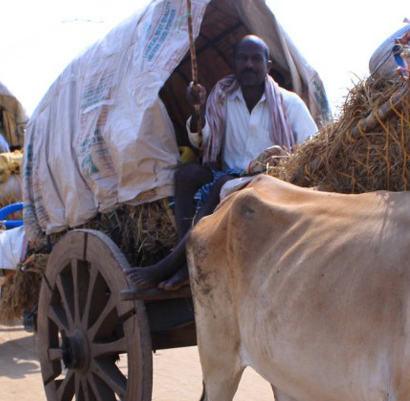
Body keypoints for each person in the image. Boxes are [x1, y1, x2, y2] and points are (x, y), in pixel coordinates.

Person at [128, 34, 318, 291]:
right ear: (233, 64)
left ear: (267, 65)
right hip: (227, 176)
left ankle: (178, 262)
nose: (249, 65)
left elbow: (311, 148)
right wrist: (197, 110)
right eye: (243, 59)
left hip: (272, 181)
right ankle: (186, 252)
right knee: (186, 175)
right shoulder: (222, 99)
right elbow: (200, 143)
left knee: (223, 184)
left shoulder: (289, 103)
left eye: (255, 59)